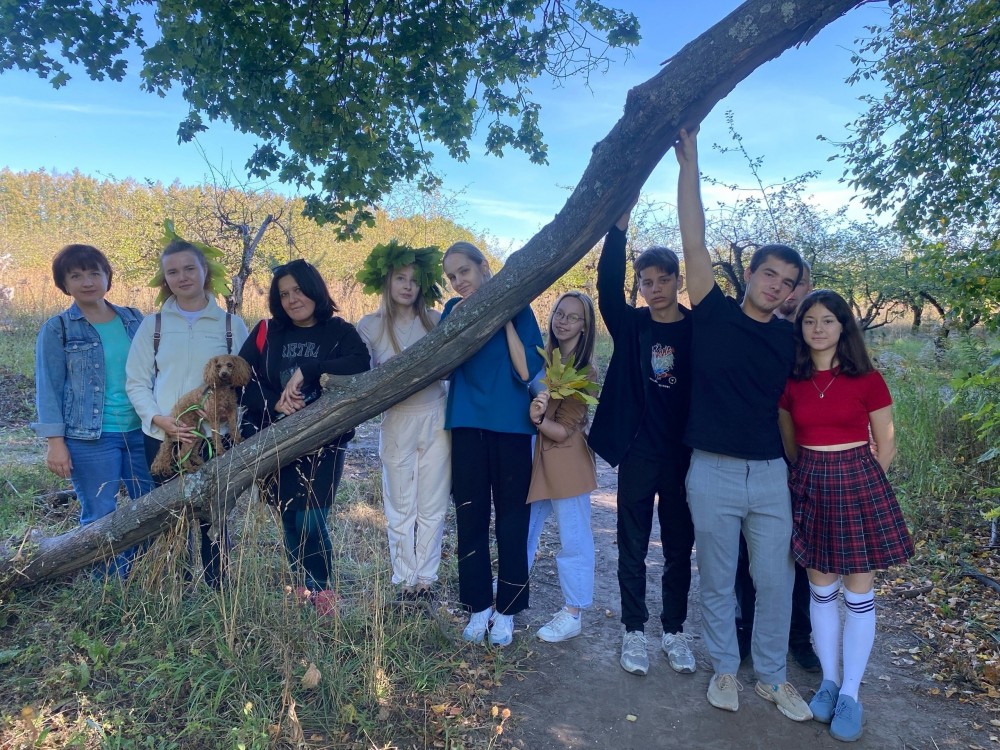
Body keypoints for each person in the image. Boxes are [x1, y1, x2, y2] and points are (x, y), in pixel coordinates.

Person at [675, 127, 813, 721]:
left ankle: (773, 678)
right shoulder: (712, 312)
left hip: (770, 475)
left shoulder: (790, 338)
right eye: (769, 274)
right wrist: (690, 165)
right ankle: (725, 669)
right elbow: (693, 237)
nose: (776, 286)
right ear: (750, 273)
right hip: (711, 471)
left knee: (777, 580)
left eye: (787, 282)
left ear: (793, 291)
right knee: (717, 578)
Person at [779, 288, 914, 742]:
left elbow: (886, 442)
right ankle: (829, 683)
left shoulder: (868, 380)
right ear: (800, 328)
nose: (818, 328)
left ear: (843, 327)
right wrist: (808, 476)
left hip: (858, 482)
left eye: (827, 320)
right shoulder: (792, 382)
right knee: (821, 591)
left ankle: (852, 694)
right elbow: (790, 441)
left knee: (858, 593)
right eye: (809, 321)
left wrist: (864, 485)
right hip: (810, 482)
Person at [588, 209, 696, 677]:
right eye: (646, 282)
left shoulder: (697, 328)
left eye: (663, 280)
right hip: (638, 453)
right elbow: (606, 289)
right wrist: (618, 229)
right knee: (632, 544)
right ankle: (634, 630)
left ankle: (674, 631)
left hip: (684, 457)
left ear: (677, 281)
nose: (655, 289)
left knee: (679, 547)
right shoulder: (631, 324)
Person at [239, 259, 370, 615]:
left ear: (315, 289)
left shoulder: (339, 331)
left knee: (311, 519)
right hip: (273, 439)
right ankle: (302, 587)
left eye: (298, 290)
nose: (292, 299)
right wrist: (274, 403)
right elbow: (239, 380)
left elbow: (361, 364)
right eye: (284, 294)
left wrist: (309, 370)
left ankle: (322, 590)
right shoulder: (267, 332)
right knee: (289, 518)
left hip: (324, 442)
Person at [126, 238, 249, 587]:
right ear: (165, 279)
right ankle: (176, 589)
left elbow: (243, 382)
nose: (182, 277)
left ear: (204, 271)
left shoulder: (230, 325)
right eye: (173, 272)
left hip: (214, 438)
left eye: (189, 268)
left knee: (214, 514)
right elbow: (136, 381)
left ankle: (217, 588)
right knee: (170, 515)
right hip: (165, 435)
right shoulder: (153, 325)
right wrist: (158, 419)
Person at [441, 241, 543, 647]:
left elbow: (526, 370)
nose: (458, 281)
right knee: (470, 517)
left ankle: (508, 610)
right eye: (452, 276)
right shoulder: (453, 310)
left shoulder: (518, 306)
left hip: (512, 425)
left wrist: (501, 315)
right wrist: (461, 320)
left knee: (512, 520)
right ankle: (479, 605)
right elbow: (444, 365)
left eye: (464, 271)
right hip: (467, 421)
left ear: (484, 267)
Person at [32, 244, 154, 577]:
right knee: (101, 515)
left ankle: (150, 576)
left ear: (107, 277)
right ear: (64, 284)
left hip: (143, 431)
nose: (87, 282)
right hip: (90, 438)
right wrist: (55, 443)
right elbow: (48, 387)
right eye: (76, 276)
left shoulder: (135, 320)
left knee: (153, 506)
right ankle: (109, 586)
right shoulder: (58, 328)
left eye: (94, 273)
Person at [735, 260, 818, 671]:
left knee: (797, 554)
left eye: (797, 284)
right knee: (744, 551)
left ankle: (799, 636)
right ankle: (745, 628)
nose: (790, 291)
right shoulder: (753, 327)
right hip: (755, 455)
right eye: (783, 282)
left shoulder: (812, 338)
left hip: (802, 460)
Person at [356, 242, 451, 603]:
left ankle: (426, 578)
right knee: (399, 503)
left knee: (432, 502)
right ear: (387, 281)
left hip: (436, 416)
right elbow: (362, 375)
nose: (408, 286)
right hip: (396, 419)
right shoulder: (371, 325)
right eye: (400, 278)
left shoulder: (436, 321)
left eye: (414, 279)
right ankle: (405, 579)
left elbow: (451, 369)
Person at [525, 291, 598, 642]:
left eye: (572, 317)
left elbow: (566, 429)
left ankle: (573, 612)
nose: (563, 321)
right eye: (559, 313)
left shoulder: (586, 371)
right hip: (535, 458)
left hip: (565, 460)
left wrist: (539, 419)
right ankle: (512, 584)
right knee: (524, 528)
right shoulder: (543, 357)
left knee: (573, 537)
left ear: (585, 326)